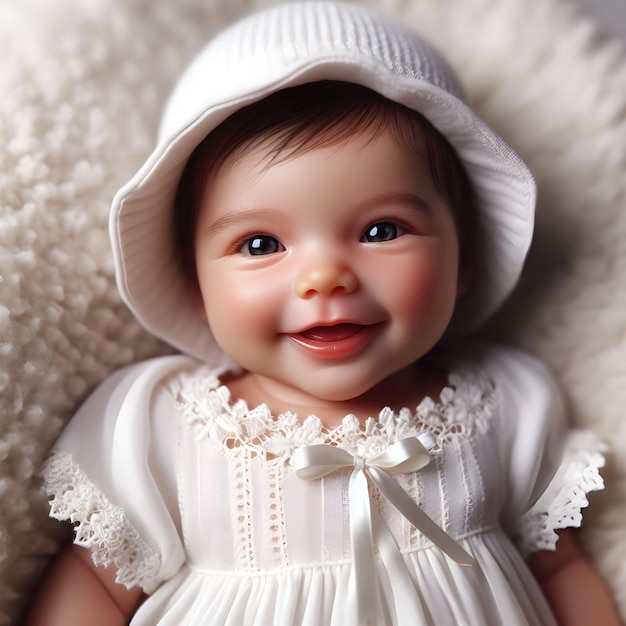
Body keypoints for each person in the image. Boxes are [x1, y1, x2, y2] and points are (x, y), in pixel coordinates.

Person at [25, 2, 621, 625]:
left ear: (464, 255)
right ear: (195, 282)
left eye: (382, 229)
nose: (323, 277)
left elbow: (558, 568)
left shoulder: (505, 405)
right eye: (260, 245)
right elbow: (94, 584)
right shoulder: (168, 428)